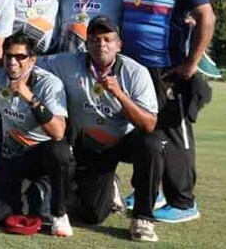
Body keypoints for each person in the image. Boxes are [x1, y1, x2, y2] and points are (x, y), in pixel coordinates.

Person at [121, 0, 216, 224]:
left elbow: (207, 17)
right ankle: (151, 191)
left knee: (175, 136)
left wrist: (191, 62)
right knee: (146, 133)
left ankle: (184, 201)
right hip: (135, 70)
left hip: (167, 71)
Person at [37, 16, 164, 242]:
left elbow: (149, 124)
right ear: (86, 44)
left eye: (108, 39)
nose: (101, 44)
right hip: (89, 144)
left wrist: (119, 94)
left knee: (151, 143)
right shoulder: (68, 63)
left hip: (122, 141)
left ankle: (143, 218)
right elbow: (29, 61)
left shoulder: (136, 72)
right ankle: (103, 185)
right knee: (92, 215)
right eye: (94, 39)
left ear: (119, 44)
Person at [0, 32, 72, 237]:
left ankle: (60, 212)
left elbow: (58, 131)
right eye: (8, 56)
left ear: (32, 59)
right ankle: (32, 191)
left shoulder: (49, 84)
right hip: (14, 155)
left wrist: (30, 98)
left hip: (44, 156)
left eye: (20, 57)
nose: (13, 62)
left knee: (60, 151)